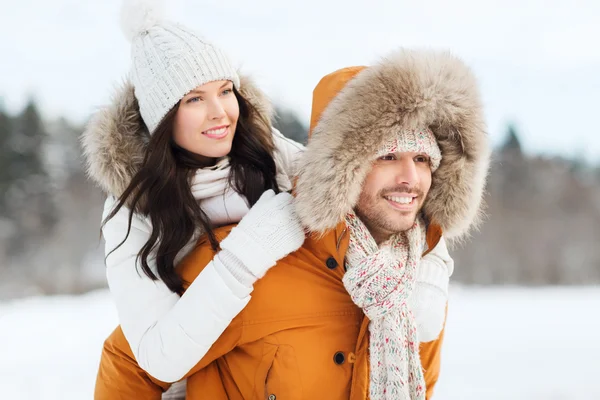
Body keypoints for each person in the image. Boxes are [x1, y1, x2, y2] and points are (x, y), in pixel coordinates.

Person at [93, 48, 491, 400]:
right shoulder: (250, 254)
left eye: (423, 160)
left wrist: (434, 255)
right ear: (344, 168)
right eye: (387, 157)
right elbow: (132, 361)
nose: (410, 178)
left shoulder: (415, 287)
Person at [81, 0, 306, 387]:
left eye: (225, 90)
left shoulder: (276, 158)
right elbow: (159, 360)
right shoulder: (132, 210)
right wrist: (247, 252)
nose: (220, 111)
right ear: (163, 118)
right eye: (195, 99)